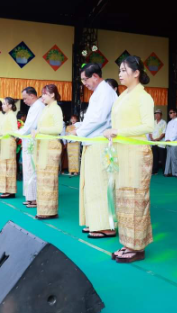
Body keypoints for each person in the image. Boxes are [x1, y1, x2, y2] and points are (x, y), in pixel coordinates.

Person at [103, 55, 154, 263]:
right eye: (120, 71)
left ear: (136, 73)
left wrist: (119, 131)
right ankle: (127, 242)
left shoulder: (144, 97)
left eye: (124, 70)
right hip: (122, 153)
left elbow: (148, 126)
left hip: (136, 153)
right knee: (123, 199)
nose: (120, 74)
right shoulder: (122, 96)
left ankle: (137, 246)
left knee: (136, 199)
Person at [77, 63, 118, 238]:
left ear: (95, 76)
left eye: (85, 79)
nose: (84, 83)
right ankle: (95, 221)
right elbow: (92, 119)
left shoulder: (105, 92)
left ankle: (106, 225)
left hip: (100, 143)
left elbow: (100, 119)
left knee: (100, 184)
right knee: (91, 185)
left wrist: (79, 132)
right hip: (92, 143)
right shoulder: (98, 93)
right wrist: (79, 128)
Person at [33, 84, 64, 219]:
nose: (42, 97)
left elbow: (57, 129)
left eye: (45, 94)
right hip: (43, 146)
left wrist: (40, 131)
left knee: (49, 179)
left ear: (52, 94)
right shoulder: (46, 109)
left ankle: (50, 210)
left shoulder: (56, 109)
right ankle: (43, 209)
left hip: (51, 147)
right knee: (42, 178)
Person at [17, 87, 46, 207]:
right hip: (28, 140)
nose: (24, 101)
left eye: (25, 98)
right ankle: (30, 197)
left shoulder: (38, 106)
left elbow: (30, 126)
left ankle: (34, 198)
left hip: (33, 141)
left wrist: (16, 133)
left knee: (32, 169)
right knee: (28, 169)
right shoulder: (34, 106)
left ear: (32, 96)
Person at [0, 97, 19, 199]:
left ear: (10, 105)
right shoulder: (5, 115)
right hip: (4, 142)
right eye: (2, 104)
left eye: (4, 104)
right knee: (3, 166)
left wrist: (2, 133)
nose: (2, 106)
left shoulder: (12, 116)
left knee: (9, 166)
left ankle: (10, 190)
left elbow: (15, 131)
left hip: (9, 142)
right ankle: (5, 189)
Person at [149, 110, 167, 174]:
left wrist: (158, 139)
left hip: (161, 143)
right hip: (154, 142)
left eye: (158, 114)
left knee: (162, 157)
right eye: (155, 114)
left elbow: (164, 132)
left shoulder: (164, 122)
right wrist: (152, 138)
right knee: (155, 157)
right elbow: (150, 132)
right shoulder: (153, 122)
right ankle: (154, 170)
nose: (156, 115)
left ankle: (164, 171)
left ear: (161, 115)